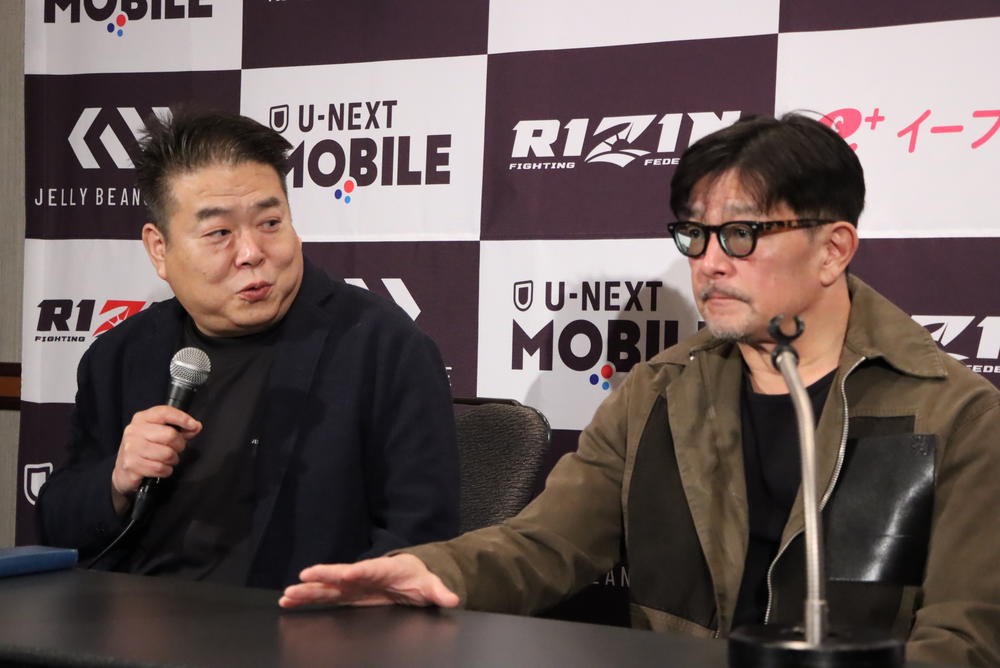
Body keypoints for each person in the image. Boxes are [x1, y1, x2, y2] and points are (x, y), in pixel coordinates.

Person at [279, 114, 1000, 667]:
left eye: (742, 235)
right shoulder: (661, 390)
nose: (710, 263)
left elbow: (963, 638)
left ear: (833, 249)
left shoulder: (956, 412)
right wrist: (427, 570)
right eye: (695, 235)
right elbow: (546, 543)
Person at [37, 109, 460, 589]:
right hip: (131, 617)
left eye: (270, 223)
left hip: (298, 619)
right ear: (159, 249)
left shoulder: (383, 347)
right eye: (219, 233)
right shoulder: (119, 356)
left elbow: (422, 537)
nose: (251, 252)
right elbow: (57, 526)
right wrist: (116, 481)